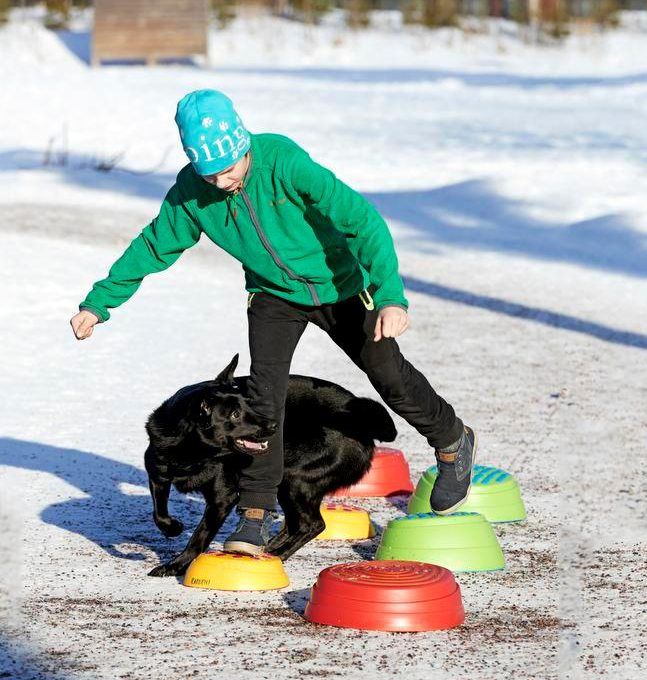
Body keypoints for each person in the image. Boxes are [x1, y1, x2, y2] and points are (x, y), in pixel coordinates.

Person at [70, 89, 477, 557]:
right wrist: (99, 303)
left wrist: (389, 296)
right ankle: (257, 512)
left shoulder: (283, 161)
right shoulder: (191, 193)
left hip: (344, 286)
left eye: (230, 167)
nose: (222, 181)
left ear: (243, 144)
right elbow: (152, 247)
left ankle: (452, 441)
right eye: (210, 172)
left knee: (388, 375)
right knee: (264, 399)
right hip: (273, 297)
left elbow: (364, 221)